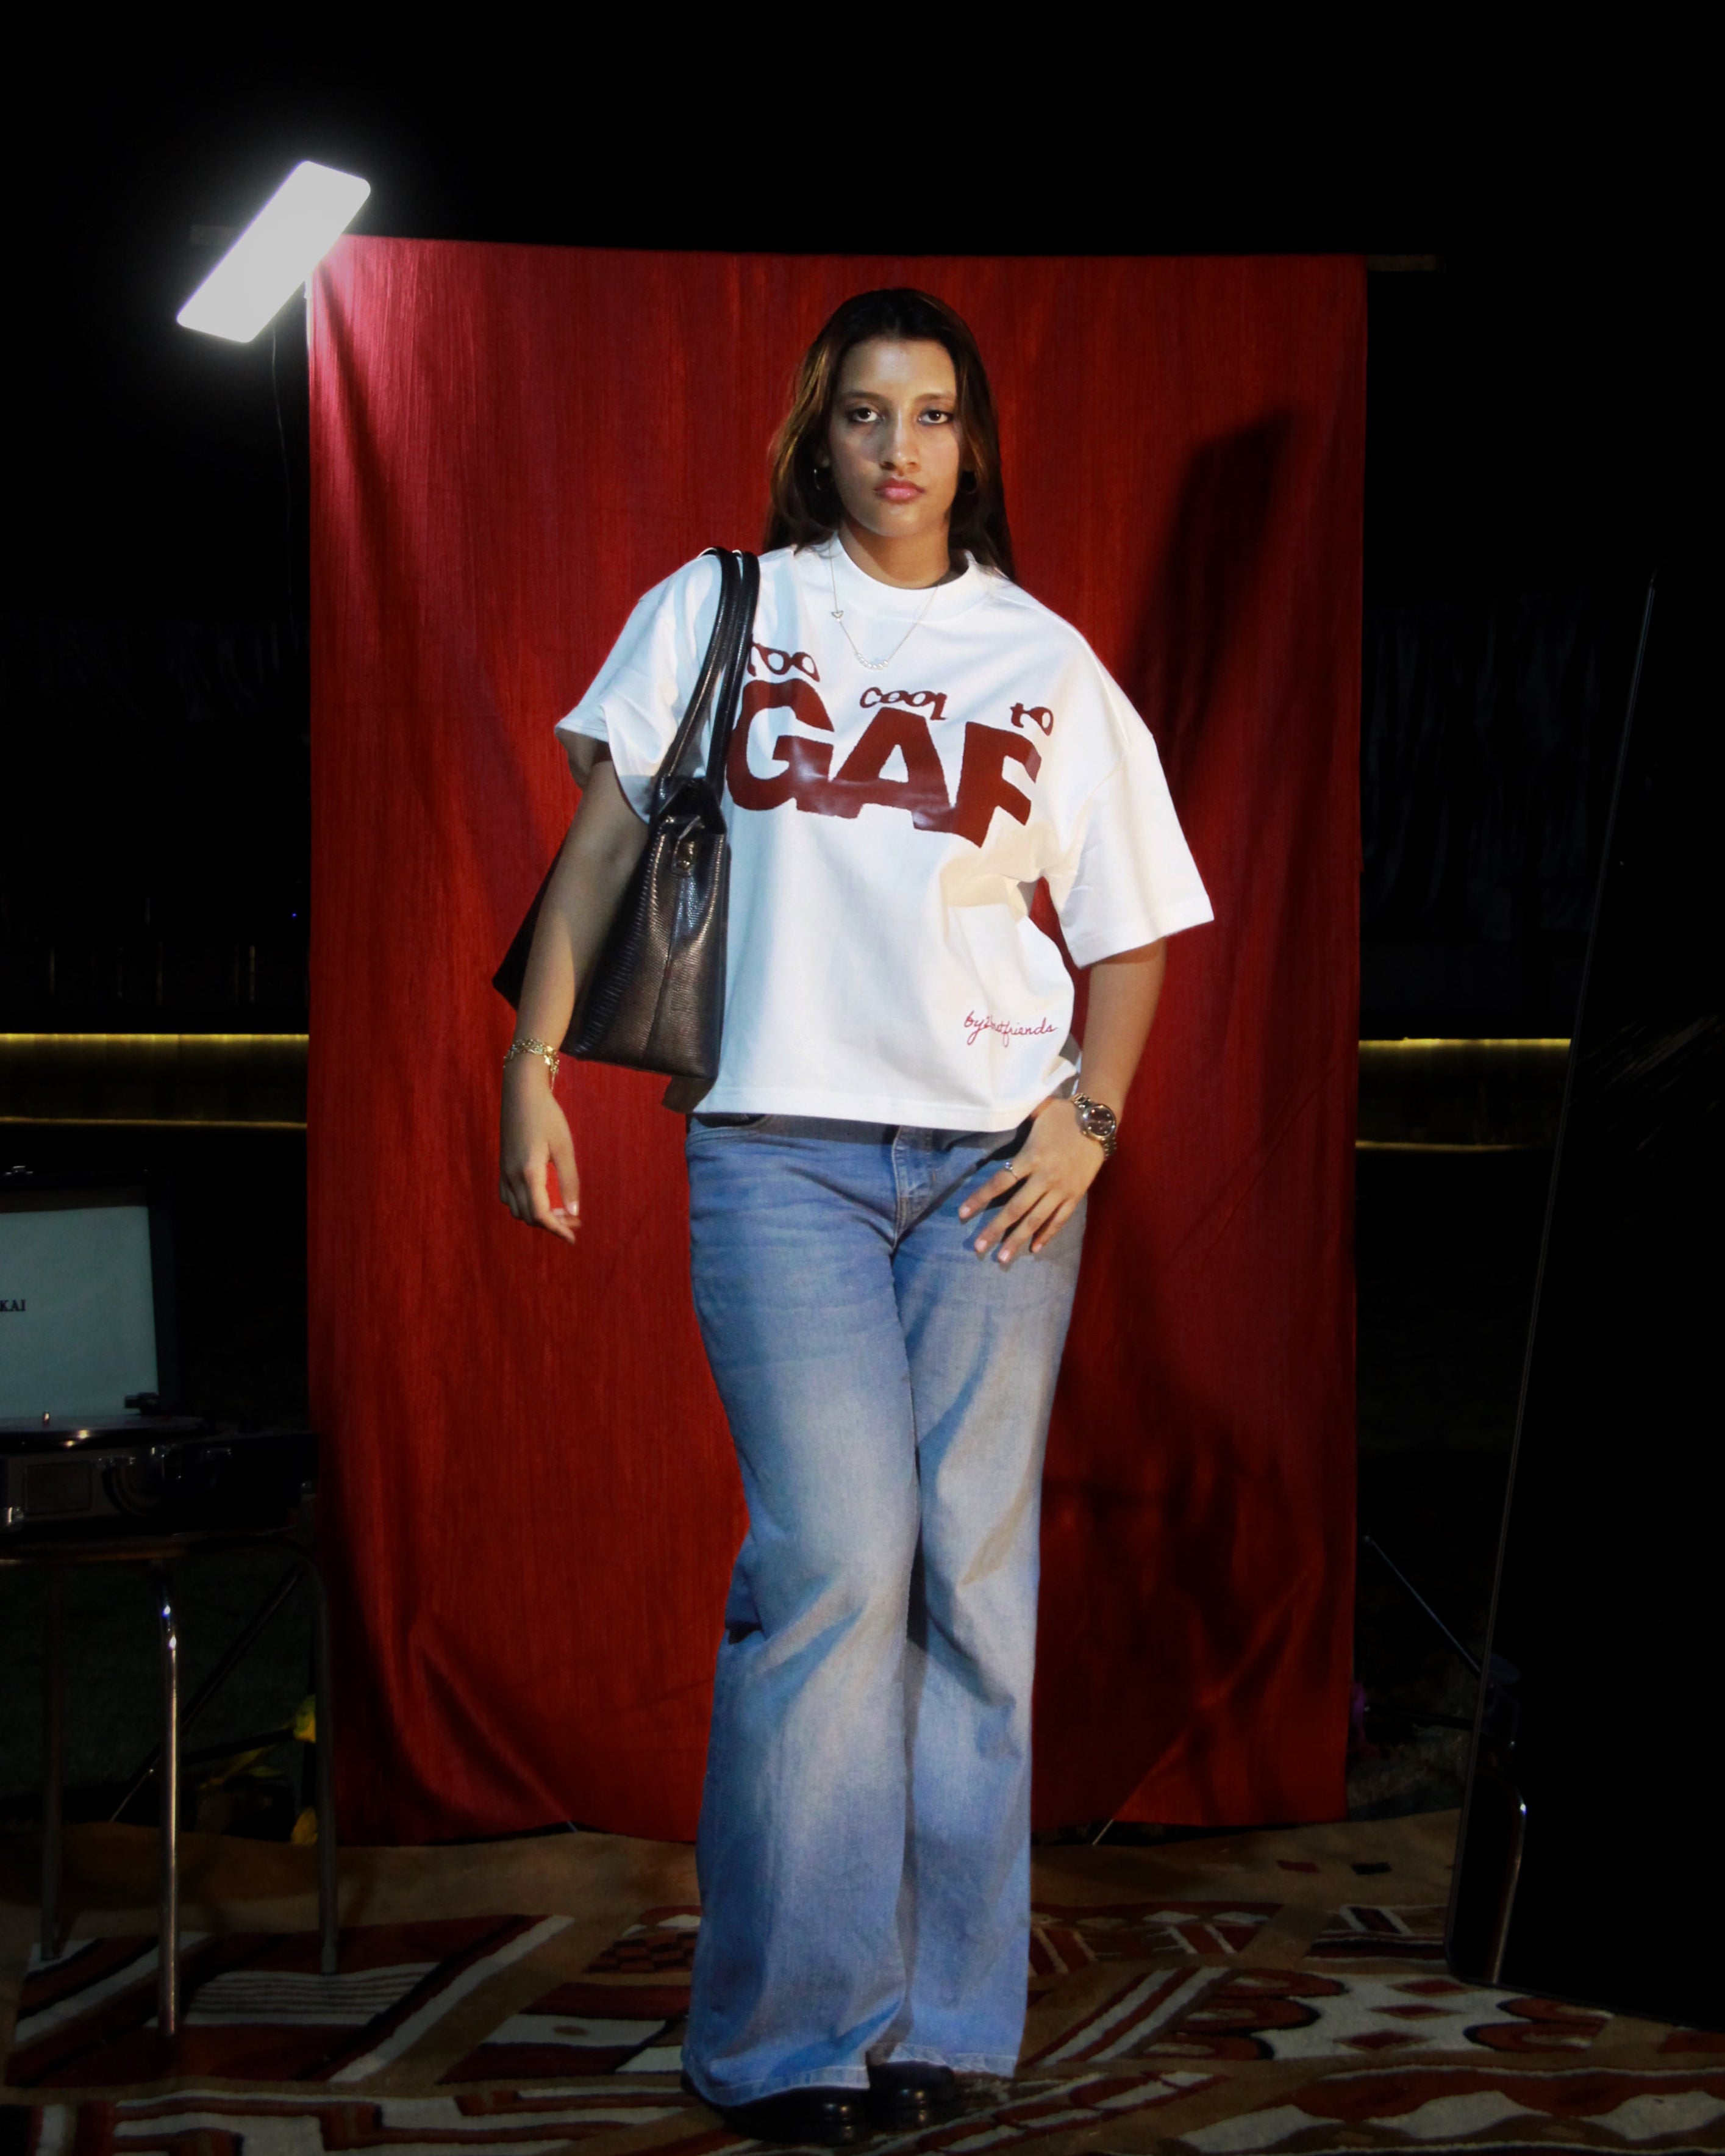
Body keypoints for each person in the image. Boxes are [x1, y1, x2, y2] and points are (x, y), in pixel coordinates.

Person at [499, 289, 1212, 2144]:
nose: (902, 450)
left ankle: (945, 2029)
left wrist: (1091, 1124)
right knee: (833, 1566)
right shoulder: (725, 607)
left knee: (974, 1589)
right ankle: (791, 2038)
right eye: (870, 416)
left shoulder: (1041, 659)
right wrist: (531, 1068)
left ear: (975, 445)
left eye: (938, 417)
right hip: (783, 1156)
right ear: (821, 433)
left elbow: (1129, 932)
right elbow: (594, 850)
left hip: (994, 1169)